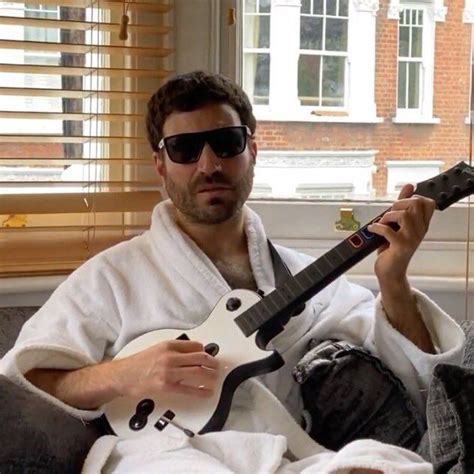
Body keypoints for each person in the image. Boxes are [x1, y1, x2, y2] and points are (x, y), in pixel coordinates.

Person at [1, 71, 466, 473]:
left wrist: (393, 278)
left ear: (252, 151)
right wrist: (124, 374)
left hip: (288, 454)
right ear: (160, 164)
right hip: (165, 454)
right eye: (185, 149)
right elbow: (28, 378)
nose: (209, 165)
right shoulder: (111, 277)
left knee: (385, 464)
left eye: (226, 143)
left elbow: (418, 375)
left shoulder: (305, 278)